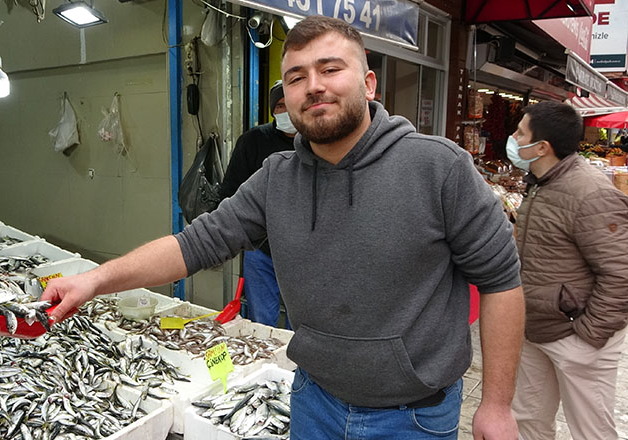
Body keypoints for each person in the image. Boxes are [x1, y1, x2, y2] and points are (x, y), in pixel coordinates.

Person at [44, 15, 524, 439]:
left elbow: (502, 281)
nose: (313, 85)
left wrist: (498, 405)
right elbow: (196, 243)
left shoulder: (438, 167)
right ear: (286, 96)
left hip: (411, 418)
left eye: (330, 69)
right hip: (313, 401)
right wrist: (96, 279)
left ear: (370, 83)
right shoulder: (276, 177)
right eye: (296, 77)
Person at [507, 101, 628, 440]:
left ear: (542, 147)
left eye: (520, 132)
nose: (514, 138)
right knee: (528, 420)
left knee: (591, 431)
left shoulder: (590, 193)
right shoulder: (540, 182)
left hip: (578, 335)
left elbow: (621, 273)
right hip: (537, 329)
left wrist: (589, 335)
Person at [220, 80, 296, 328]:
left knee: (302, 327)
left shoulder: (317, 142)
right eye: (280, 105)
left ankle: (295, 368)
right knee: (261, 326)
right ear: (273, 110)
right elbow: (229, 192)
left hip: (302, 254)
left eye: (291, 104)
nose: (286, 111)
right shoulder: (253, 141)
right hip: (260, 252)